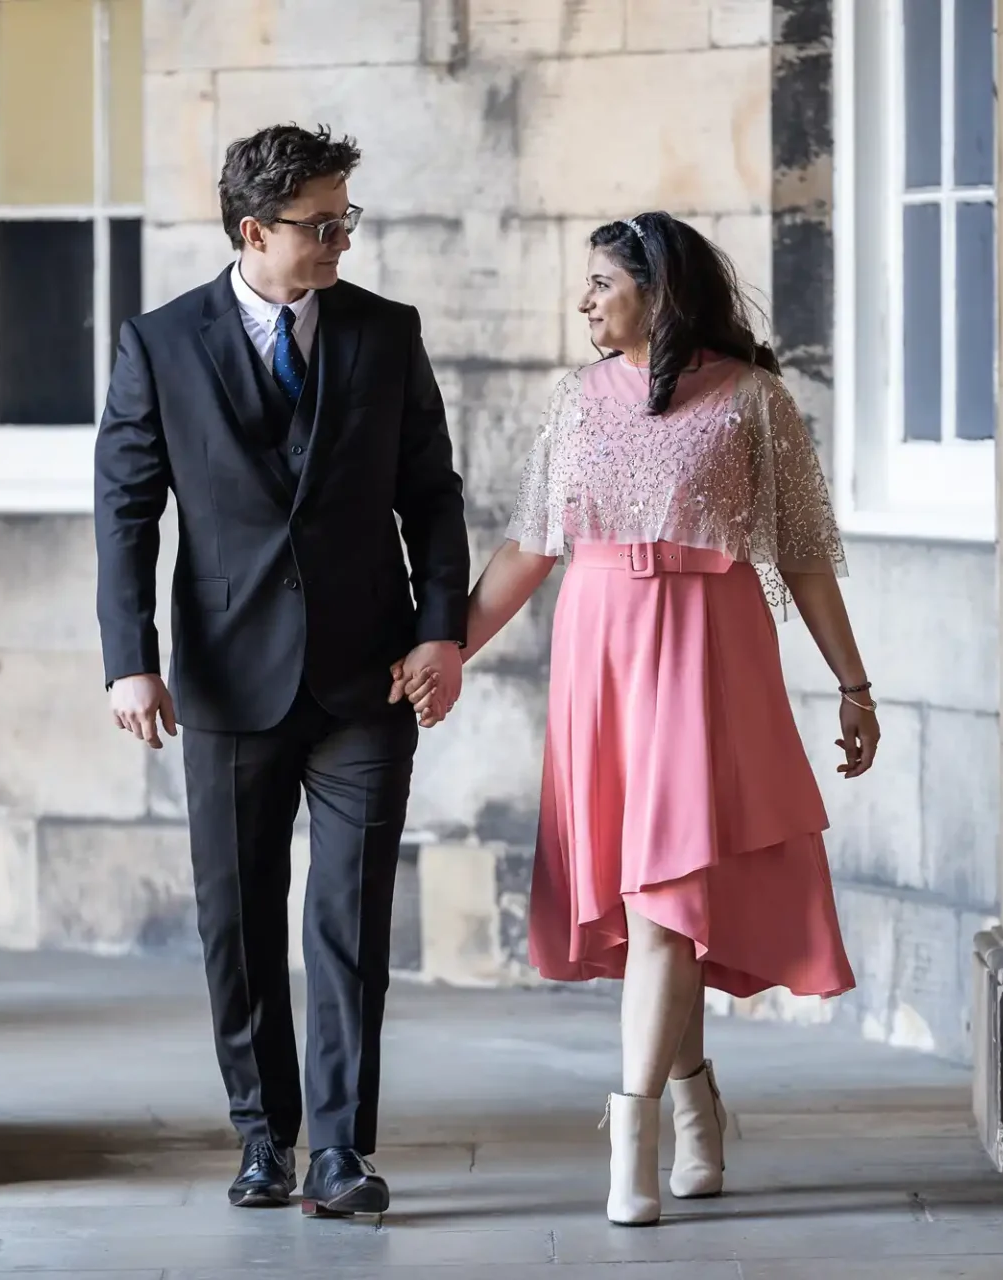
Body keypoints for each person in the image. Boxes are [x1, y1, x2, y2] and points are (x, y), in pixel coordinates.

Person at [397, 212, 880, 1226]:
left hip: (711, 657)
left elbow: (801, 553)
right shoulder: (576, 401)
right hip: (603, 660)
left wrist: (853, 682)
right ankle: (698, 1104)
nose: (584, 301)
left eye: (601, 282)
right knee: (666, 898)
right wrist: (440, 651)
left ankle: (634, 1135)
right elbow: (528, 550)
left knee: (667, 895)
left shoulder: (755, 400)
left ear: (657, 292)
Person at [95, 123, 467, 1219]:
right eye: (324, 223)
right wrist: (133, 661)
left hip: (369, 676)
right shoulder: (159, 344)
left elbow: (431, 493)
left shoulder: (385, 333)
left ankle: (341, 1152)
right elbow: (125, 510)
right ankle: (265, 1136)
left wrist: (440, 627)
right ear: (255, 232)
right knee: (240, 920)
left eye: (348, 217)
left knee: (350, 925)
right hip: (223, 677)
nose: (343, 238)